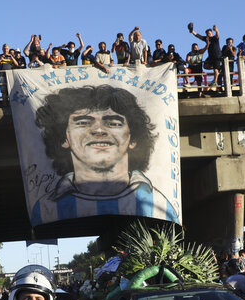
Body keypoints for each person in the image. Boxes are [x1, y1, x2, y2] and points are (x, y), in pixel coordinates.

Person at [30, 84, 177, 225]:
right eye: (83, 123)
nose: (98, 130)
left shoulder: (160, 205)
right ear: (64, 138)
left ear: (134, 139)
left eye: (113, 123)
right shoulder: (45, 208)